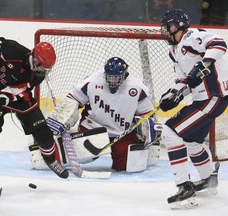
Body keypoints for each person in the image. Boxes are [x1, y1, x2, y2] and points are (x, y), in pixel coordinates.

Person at [0, 32, 69, 193]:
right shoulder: (10, 49)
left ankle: (51, 161)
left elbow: (18, 91)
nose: (43, 71)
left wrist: (2, 102)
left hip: (20, 99)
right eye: (41, 66)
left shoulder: (38, 75)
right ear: (34, 58)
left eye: (46, 69)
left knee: (44, 133)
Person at [160, 9, 228, 209]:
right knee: (192, 141)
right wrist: (174, 95)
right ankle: (208, 180)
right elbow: (184, 80)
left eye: (167, 27)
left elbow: (219, 43)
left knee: (170, 132)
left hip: (213, 96)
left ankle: (184, 187)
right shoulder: (174, 50)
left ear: (176, 26)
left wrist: (203, 65)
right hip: (203, 99)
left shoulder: (193, 36)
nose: (164, 31)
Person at [43, 57, 161, 172]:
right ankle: (52, 151)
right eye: (109, 77)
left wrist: (147, 131)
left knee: (125, 166)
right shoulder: (92, 81)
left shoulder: (137, 87)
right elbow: (73, 100)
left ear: (125, 75)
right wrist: (61, 118)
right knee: (83, 150)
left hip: (123, 132)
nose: (112, 81)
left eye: (116, 78)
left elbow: (146, 115)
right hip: (94, 127)